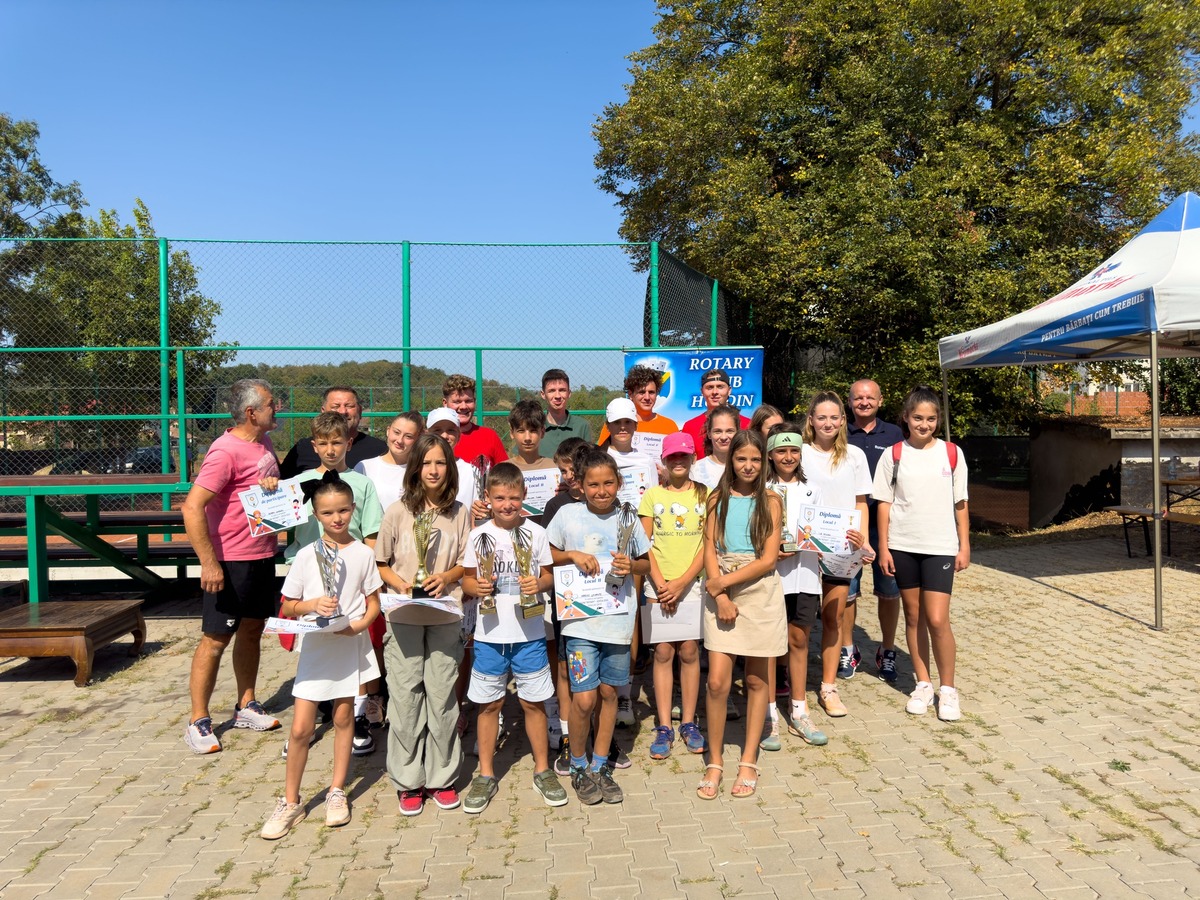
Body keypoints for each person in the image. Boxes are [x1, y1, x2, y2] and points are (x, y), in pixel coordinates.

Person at [261, 474, 381, 839]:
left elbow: (374, 603)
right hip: (316, 647)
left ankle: (337, 791)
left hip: (348, 644)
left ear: (353, 509)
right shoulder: (305, 555)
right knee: (301, 728)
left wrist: (358, 627)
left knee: (344, 717)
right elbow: (288, 605)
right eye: (328, 513)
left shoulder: (363, 554)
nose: (337, 518)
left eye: (343, 510)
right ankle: (290, 801)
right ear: (315, 515)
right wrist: (312, 604)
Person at [183, 378, 283, 754]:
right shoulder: (224, 451)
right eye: (272, 404)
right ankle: (198, 720)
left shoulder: (264, 441)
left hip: (261, 556)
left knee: (252, 630)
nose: (278, 408)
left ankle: (246, 705)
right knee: (215, 639)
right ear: (251, 412)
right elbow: (192, 507)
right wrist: (209, 564)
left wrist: (271, 484)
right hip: (229, 561)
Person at [460, 463, 567, 812]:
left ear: (524, 496)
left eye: (514, 498)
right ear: (488, 498)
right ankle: (485, 774)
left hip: (530, 634)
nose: (507, 504)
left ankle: (542, 770)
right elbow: (466, 580)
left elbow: (549, 576)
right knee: (489, 705)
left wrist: (540, 583)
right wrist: (476, 587)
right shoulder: (478, 535)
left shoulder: (536, 532)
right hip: (490, 636)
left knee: (533, 703)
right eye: (500, 498)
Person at [547, 448, 651, 805]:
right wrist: (572, 555)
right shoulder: (567, 515)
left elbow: (646, 563)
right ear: (580, 485)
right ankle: (577, 764)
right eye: (593, 484)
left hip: (617, 624)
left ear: (619, 483)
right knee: (584, 698)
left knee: (609, 694)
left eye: (608, 483)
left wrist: (630, 566)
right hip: (580, 625)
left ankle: (600, 764)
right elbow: (547, 555)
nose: (601, 491)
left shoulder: (628, 518)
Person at [375, 433, 471, 816]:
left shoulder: (460, 512)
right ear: (415, 467)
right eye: (426, 463)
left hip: (445, 615)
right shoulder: (397, 511)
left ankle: (441, 777)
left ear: (450, 469)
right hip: (403, 616)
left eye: (440, 463)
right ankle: (408, 780)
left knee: (442, 696)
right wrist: (400, 584)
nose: (433, 470)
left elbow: (465, 563)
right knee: (404, 698)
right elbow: (381, 562)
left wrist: (446, 577)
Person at [285, 412, 383, 756]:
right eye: (323, 443)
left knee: (355, 651)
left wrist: (368, 572)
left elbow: (371, 533)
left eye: (337, 442)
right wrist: (270, 489)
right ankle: (303, 727)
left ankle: (355, 719)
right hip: (309, 577)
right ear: (314, 445)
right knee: (311, 650)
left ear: (349, 443)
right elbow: (271, 519)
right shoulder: (296, 483)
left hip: (350, 576)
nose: (330, 449)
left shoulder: (362, 484)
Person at [873, 386, 970, 722]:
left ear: (937, 420)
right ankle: (924, 684)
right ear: (906, 418)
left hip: (940, 547)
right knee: (913, 617)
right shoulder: (893, 455)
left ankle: (949, 690)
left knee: (938, 619)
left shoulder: (952, 453)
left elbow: (961, 502)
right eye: (917, 418)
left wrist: (964, 545)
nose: (924, 424)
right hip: (902, 546)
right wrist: (884, 547)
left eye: (930, 419)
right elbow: (884, 504)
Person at [697, 431, 785, 800]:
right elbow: (709, 548)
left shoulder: (771, 500)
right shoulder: (716, 498)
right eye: (740, 458)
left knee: (756, 680)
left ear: (763, 462)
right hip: (721, 588)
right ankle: (715, 760)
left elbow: (768, 559)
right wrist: (718, 593)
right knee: (718, 682)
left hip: (758, 590)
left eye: (755, 459)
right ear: (730, 460)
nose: (748, 466)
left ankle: (749, 760)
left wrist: (722, 583)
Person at [801, 392, 873, 720]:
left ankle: (828, 687)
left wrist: (863, 540)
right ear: (811, 421)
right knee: (799, 621)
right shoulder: (800, 453)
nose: (828, 423)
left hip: (842, 549)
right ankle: (791, 684)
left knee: (833, 617)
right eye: (822, 417)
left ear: (843, 420)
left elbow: (861, 502)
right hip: (804, 548)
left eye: (834, 417)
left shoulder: (855, 455)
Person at [637, 432, 707, 759]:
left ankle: (689, 722)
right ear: (663, 461)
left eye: (684, 455)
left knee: (690, 651)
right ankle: (664, 725)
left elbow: (709, 544)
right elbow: (644, 544)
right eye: (672, 456)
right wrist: (661, 583)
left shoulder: (706, 494)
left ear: (693, 458)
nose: (678, 461)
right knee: (663, 652)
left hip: (692, 584)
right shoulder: (652, 496)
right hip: (657, 585)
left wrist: (682, 582)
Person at [765, 426, 828, 749]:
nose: (788, 457)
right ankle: (768, 715)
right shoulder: (761, 489)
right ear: (770, 455)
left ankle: (799, 711)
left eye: (794, 451)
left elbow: (823, 532)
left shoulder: (813, 490)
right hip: (770, 577)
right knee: (769, 645)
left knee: (799, 640)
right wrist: (769, 552)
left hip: (804, 575)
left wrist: (835, 541)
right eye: (781, 451)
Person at [599, 396, 656, 730]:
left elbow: (651, 506)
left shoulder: (646, 460)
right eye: (617, 423)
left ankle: (625, 695)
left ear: (635, 425)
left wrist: (639, 546)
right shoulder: (600, 458)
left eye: (628, 422)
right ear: (608, 425)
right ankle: (603, 689)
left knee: (629, 619)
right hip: (601, 550)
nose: (622, 428)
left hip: (633, 552)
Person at [843, 379, 905, 683]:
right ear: (849, 402)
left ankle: (887, 650)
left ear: (880, 401)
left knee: (889, 590)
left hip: (886, 525)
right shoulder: (839, 432)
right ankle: (847, 649)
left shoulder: (895, 434)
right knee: (847, 591)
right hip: (849, 524)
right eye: (858, 398)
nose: (864, 402)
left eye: (870, 398)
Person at [542, 437, 590, 771]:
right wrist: (572, 555)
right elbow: (547, 554)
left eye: (572, 470)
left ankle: (598, 734)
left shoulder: (606, 500)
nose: (568, 476)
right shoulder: (556, 505)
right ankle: (567, 735)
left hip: (603, 603)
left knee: (594, 673)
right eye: (563, 470)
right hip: (567, 601)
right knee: (565, 668)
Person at [279, 386, 387, 478]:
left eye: (349, 406)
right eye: (336, 406)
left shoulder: (379, 450)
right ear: (323, 411)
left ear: (360, 411)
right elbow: (283, 484)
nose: (343, 411)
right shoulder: (303, 449)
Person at [596, 366, 679, 460]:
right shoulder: (615, 424)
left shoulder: (670, 426)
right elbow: (601, 457)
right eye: (642, 392)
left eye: (651, 392)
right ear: (630, 394)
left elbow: (677, 459)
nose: (647, 397)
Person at [354, 411, 424, 513]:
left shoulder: (421, 470)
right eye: (396, 432)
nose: (400, 440)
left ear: (417, 439)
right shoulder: (363, 467)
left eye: (408, 436)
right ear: (388, 431)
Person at [442, 374, 508, 467]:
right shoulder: (435, 439)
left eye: (468, 401)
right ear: (445, 403)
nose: (463, 406)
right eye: (457, 402)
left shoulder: (489, 437)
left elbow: (506, 474)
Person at [681, 370, 751, 450]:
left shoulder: (748, 425)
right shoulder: (690, 427)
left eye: (720, 387)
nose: (715, 392)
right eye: (710, 387)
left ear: (729, 390)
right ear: (702, 391)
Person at [539, 368, 593, 457]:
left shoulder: (582, 426)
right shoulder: (535, 426)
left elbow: (588, 461)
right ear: (543, 394)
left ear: (569, 393)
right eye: (552, 391)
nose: (557, 396)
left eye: (562, 390)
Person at [690, 405, 741, 490]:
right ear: (709, 433)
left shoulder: (746, 468)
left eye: (729, 431)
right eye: (718, 431)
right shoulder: (695, 470)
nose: (724, 437)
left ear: (737, 432)